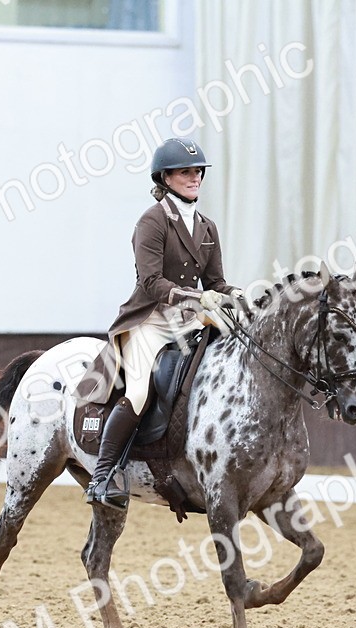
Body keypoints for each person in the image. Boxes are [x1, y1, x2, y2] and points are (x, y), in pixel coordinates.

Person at [82, 137, 243, 507]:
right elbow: (152, 283)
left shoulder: (207, 226)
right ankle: (103, 476)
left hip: (192, 322)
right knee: (138, 392)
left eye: (197, 171)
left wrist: (237, 295)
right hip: (150, 322)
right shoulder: (152, 222)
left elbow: (215, 282)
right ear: (165, 177)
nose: (194, 177)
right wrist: (198, 297)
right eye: (185, 172)